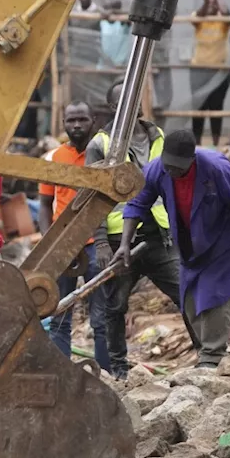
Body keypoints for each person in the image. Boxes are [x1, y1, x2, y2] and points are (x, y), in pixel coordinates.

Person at [115, 129, 230, 368]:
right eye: (169, 166)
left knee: (215, 296)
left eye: (179, 168)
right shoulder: (156, 169)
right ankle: (205, 352)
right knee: (190, 298)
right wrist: (124, 244)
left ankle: (212, 357)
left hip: (223, 242)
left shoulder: (216, 168)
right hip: (189, 243)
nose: (173, 172)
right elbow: (137, 204)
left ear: (192, 159)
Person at [85, 81, 181, 379]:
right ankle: (119, 370)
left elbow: (172, 184)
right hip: (117, 239)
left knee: (186, 292)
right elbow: (92, 197)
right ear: (114, 108)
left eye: (135, 100)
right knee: (115, 306)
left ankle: (207, 358)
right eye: (125, 101)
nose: (134, 105)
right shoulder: (100, 145)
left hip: (159, 235)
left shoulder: (158, 135)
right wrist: (100, 243)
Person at [40, 102, 109, 370]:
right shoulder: (54, 158)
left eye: (82, 119)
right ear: (63, 122)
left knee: (101, 317)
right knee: (58, 314)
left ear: (93, 121)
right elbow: (45, 204)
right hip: (63, 246)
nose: (76, 125)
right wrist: (50, 243)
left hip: (95, 245)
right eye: (71, 120)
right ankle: (62, 371)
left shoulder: (102, 155)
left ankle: (106, 373)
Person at [191, 0, 230, 146]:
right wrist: (206, 3)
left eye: (213, 6)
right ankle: (197, 143)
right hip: (198, 71)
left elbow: (229, 15)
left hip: (219, 72)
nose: (211, 6)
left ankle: (215, 143)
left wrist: (219, 1)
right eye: (209, 5)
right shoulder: (200, 19)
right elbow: (198, 16)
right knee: (198, 107)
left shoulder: (223, 23)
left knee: (216, 106)